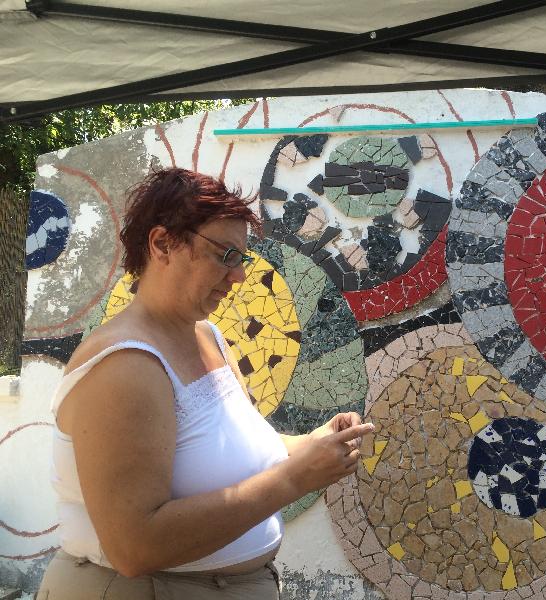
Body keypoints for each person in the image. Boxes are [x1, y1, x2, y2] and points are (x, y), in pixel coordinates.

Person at [37, 168, 373, 600]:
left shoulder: (206, 335)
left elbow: (233, 446)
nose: (238, 277)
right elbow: (134, 548)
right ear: (162, 244)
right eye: (225, 256)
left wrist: (312, 443)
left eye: (241, 260)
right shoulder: (123, 365)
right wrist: (295, 478)